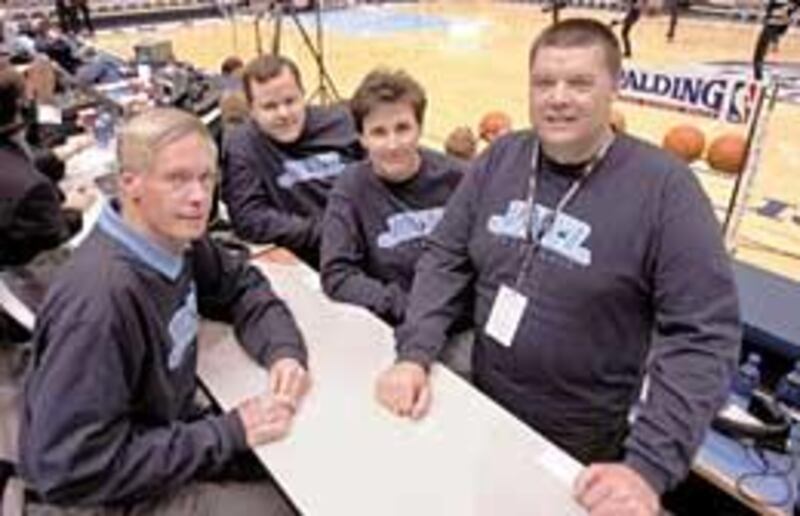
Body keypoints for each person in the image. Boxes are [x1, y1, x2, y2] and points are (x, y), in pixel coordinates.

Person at [375, 19, 740, 516]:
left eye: (580, 83)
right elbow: (445, 257)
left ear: (614, 87)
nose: (559, 98)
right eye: (544, 82)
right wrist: (414, 354)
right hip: (481, 398)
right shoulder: (502, 157)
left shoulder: (666, 189)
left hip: (577, 437)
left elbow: (704, 334)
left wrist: (648, 467)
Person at [19, 108, 310, 514]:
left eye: (206, 178)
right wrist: (226, 433)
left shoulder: (175, 240)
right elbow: (70, 469)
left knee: (302, 461)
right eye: (177, 179)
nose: (199, 197)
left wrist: (283, 351)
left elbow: (242, 286)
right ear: (129, 183)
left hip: (163, 436)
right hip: (104, 495)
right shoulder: (100, 302)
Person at [320, 69, 464, 327]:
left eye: (402, 128)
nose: (393, 144)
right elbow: (337, 275)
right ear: (362, 138)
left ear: (420, 128)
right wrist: (404, 306)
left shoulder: (459, 178)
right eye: (379, 132)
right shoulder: (351, 188)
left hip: (463, 320)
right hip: (398, 324)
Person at [221, 54, 363, 267]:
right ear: (252, 110)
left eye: (291, 101)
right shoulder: (243, 146)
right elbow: (249, 218)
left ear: (303, 95)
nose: (284, 113)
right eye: (270, 106)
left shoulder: (343, 123)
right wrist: (325, 232)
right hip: (313, 260)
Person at [0, 63, 88, 268]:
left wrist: (63, 152)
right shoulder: (32, 187)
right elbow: (54, 237)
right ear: (22, 104)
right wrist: (74, 209)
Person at [752, 0, 799, 81]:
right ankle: (758, 75)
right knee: (761, 50)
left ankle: (758, 77)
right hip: (778, 23)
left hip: (775, 23)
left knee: (760, 51)